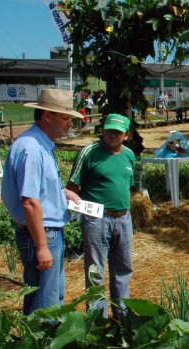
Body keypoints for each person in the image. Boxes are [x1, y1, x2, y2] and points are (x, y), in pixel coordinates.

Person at [0, 89, 83, 315]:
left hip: (48, 232)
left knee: (52, 298)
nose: (69, 124)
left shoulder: (38, 144)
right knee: (42, 305)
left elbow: (37, 190)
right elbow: (29, 202)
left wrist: (62, 193)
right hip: (41, 234)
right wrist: (43, 246)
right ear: (47, 116)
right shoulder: (32, 149)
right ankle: (39, 347)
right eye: (65, 118)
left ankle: (48, 346)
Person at [66, 114, 137, 320]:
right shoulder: (89, 153)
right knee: (95, 271)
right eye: (109, 131)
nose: (112, 135)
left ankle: (122, 317)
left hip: (123, 218)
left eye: (118, 132)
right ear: (103, 131)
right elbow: (72, 188)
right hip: (97, 219)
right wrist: (85, 211)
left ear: (126, 135)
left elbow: (126, 184)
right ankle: (97, 320)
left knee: (123, 268)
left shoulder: (129, 156)